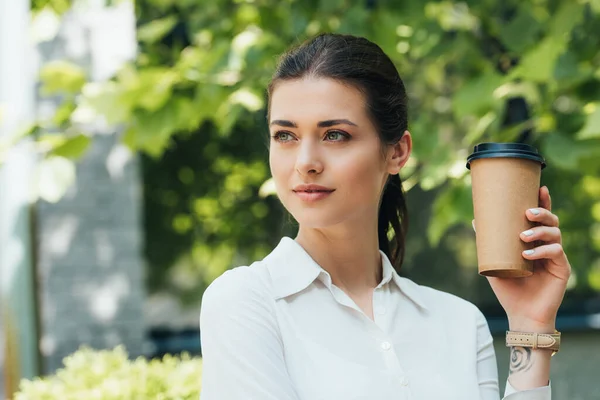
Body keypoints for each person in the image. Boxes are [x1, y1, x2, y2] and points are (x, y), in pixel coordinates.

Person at [199, 33, 570, 399]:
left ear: (397, 152)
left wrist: (530, 324)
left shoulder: (460, 323)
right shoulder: (244, 303)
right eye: (285, 136)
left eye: (334, 135)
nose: (305, 163)